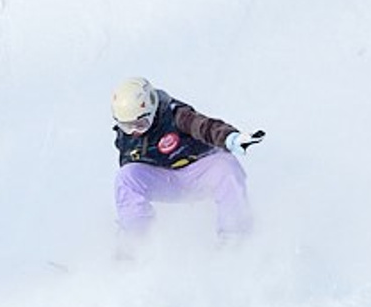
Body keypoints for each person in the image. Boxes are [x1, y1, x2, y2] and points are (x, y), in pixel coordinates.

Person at [110, 76, 259, 245]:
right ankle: (136, 242)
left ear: (152, 109)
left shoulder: (175, 115)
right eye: (126, 126)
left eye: (141, 124)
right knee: (126, 177)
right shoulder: (127, 137)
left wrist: (229, 138)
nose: (134, 131)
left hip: (196, 172)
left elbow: (204, 126)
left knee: (226, 166)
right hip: (164, 180)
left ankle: (235, 234)